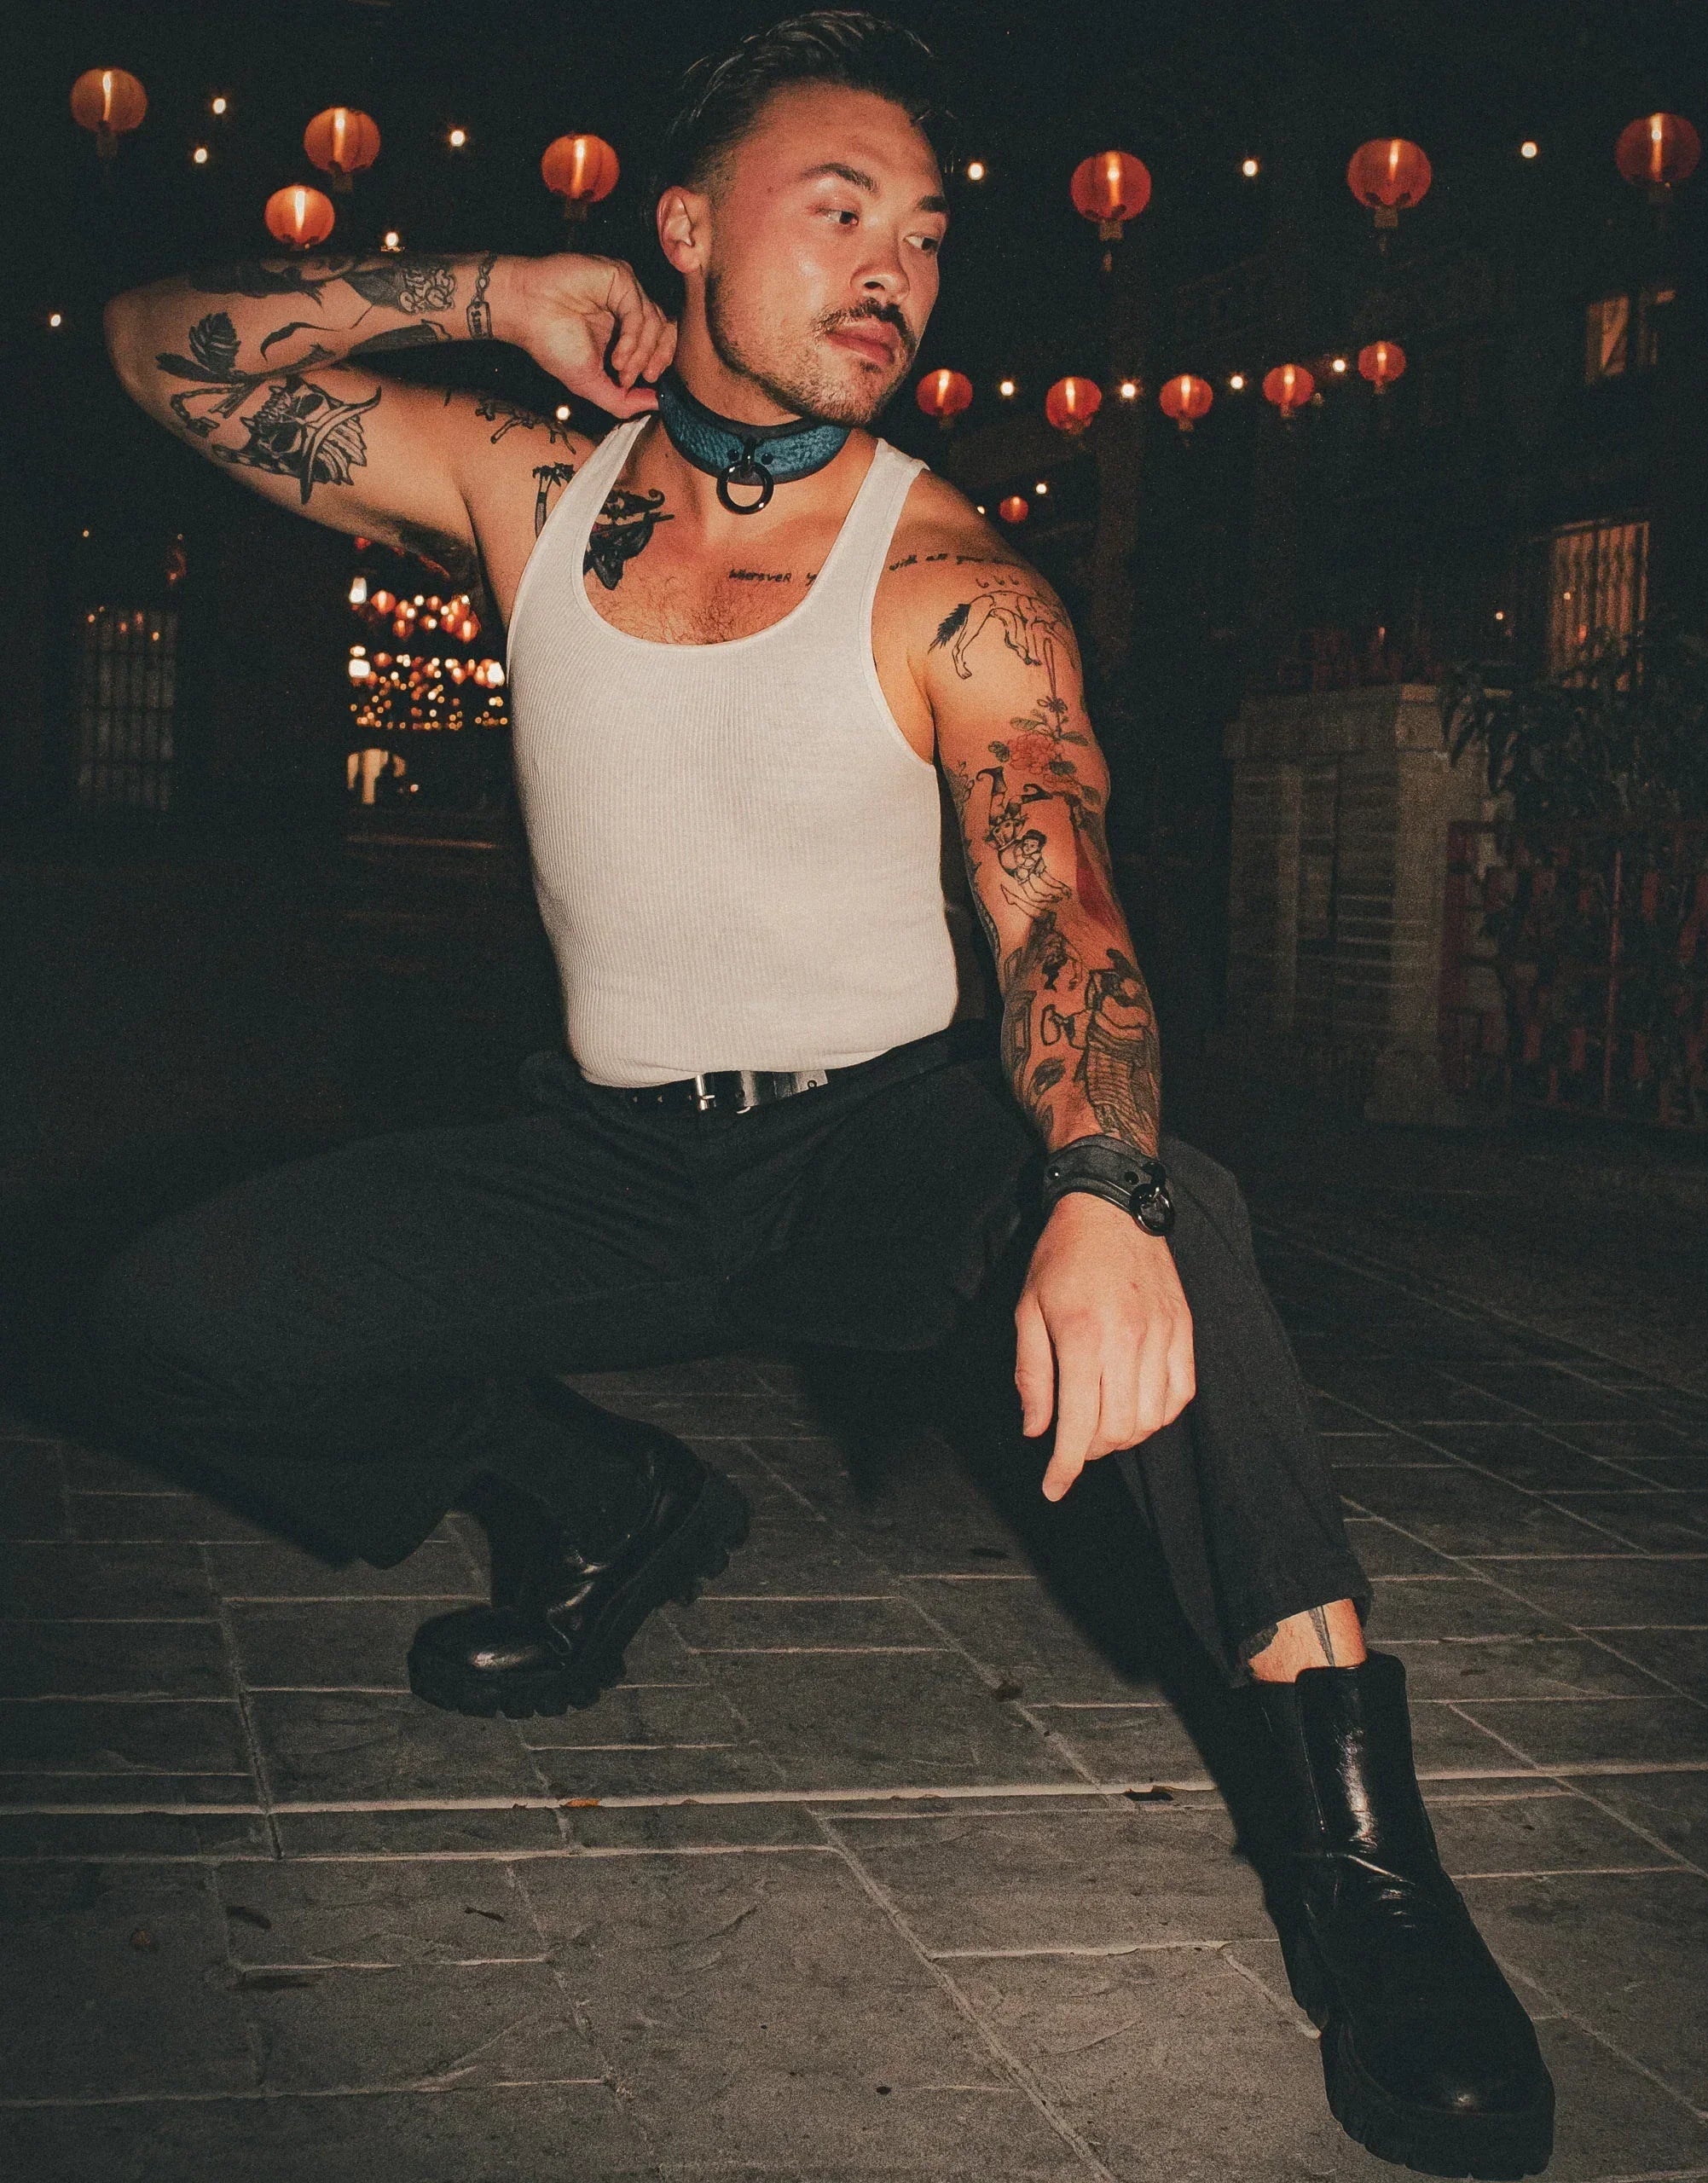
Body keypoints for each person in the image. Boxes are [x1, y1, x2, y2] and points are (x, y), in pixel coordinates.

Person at [85, 13, 1551, 2174]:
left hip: (881, 1142)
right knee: (172, 1310)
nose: (894, 266)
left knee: (1180, 1220)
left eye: (927, 234)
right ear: (685, 234)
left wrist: (1100, 1187)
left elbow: (1064, 920)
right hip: (601, 1146)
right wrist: (487, 293)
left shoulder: (956, 583)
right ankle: (600, 1503)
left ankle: (1371, 1870)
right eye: (836, 209)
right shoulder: (523, 484)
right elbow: (158, 348)